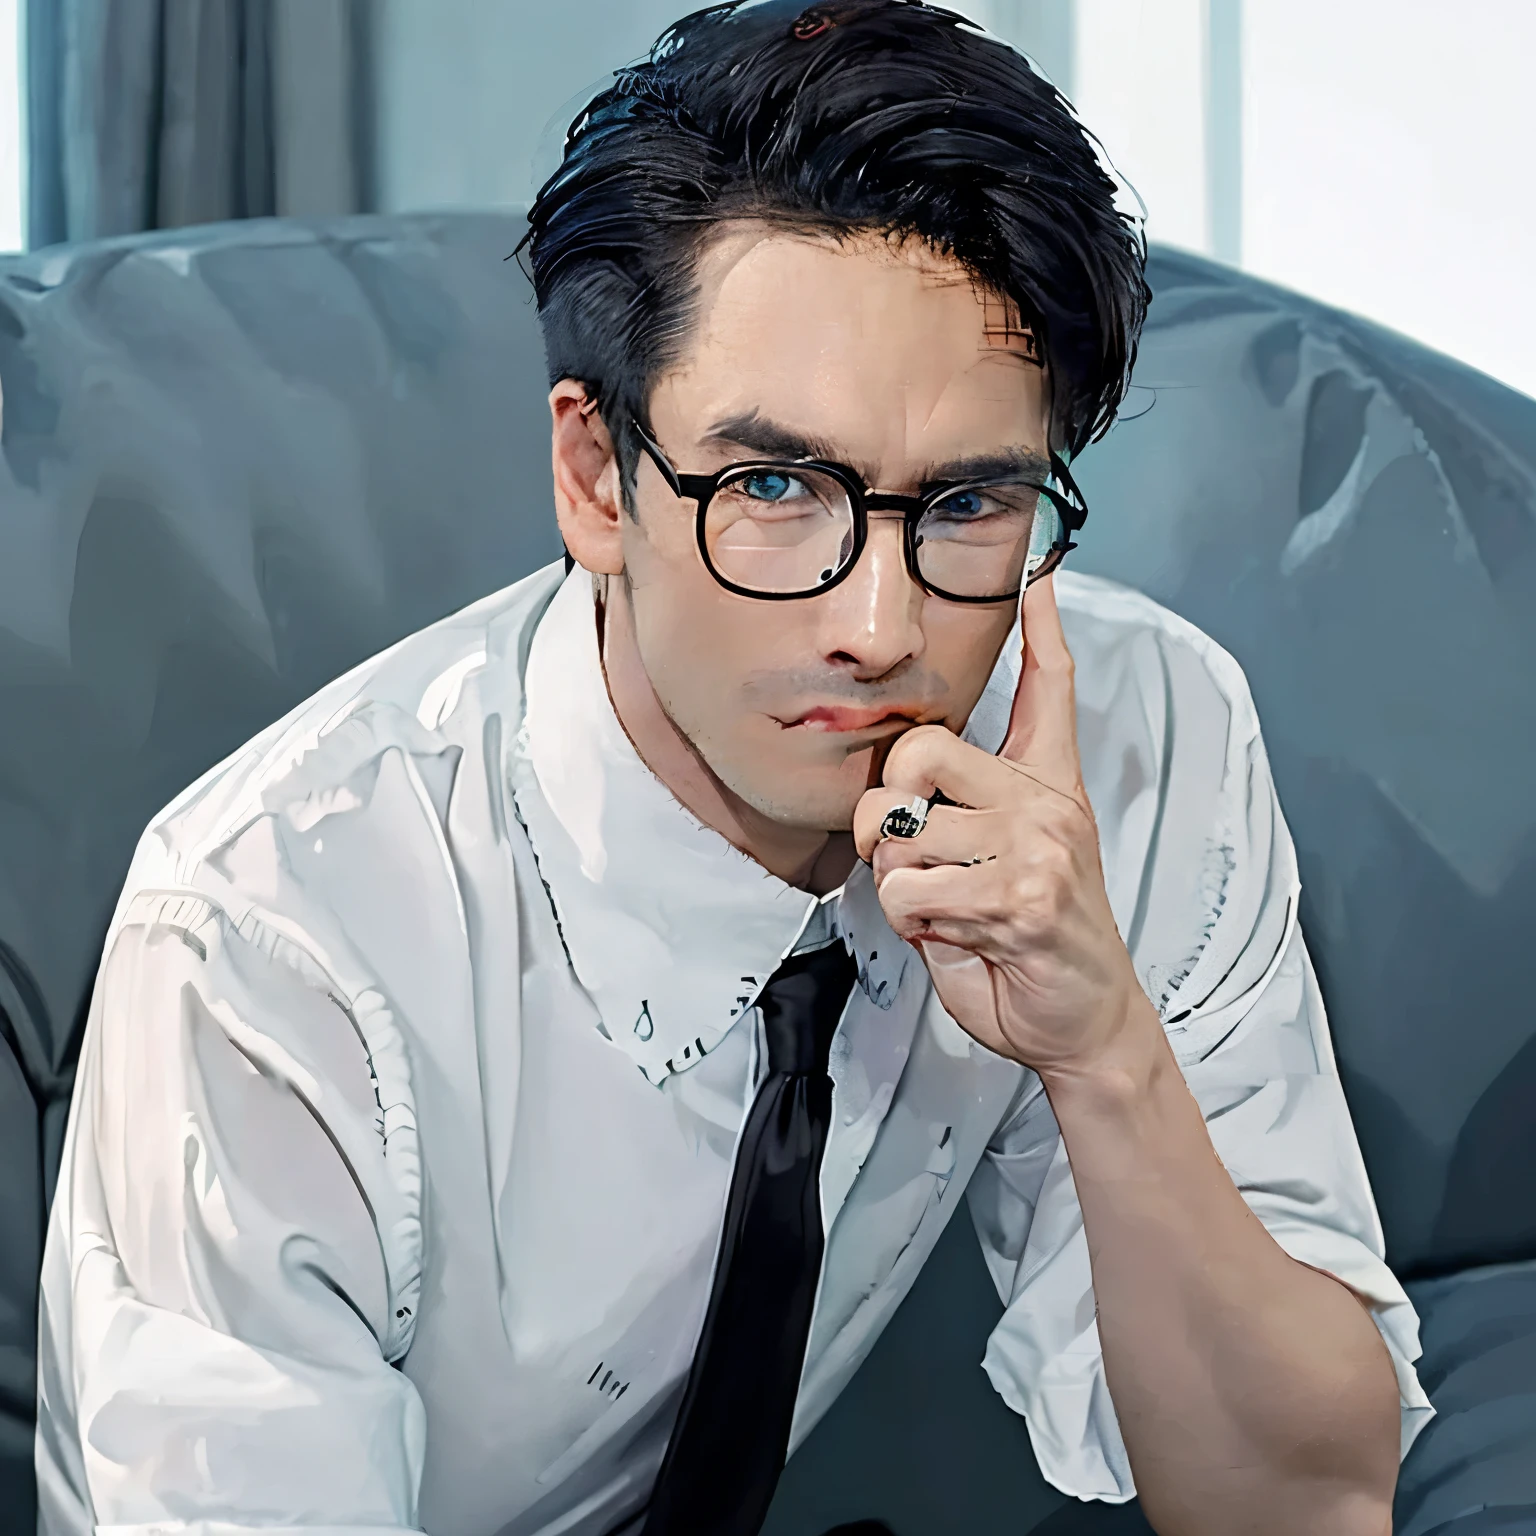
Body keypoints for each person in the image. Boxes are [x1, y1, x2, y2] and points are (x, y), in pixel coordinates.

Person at [34, 3, 1432, 1534]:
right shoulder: (272, 934)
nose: (882, 627)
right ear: (594, 479)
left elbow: (1308, 1507)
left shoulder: (1133, 737)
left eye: (969, 502)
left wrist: (1105, 1054)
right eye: (774, 485)